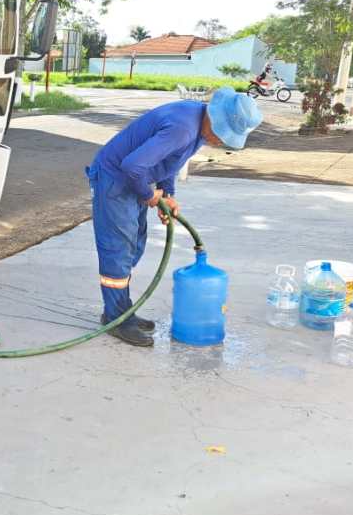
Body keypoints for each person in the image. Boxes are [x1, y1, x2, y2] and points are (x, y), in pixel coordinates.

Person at [86, 87, 263, 347]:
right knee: (118, 252)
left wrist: (167, 195)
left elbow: (170, 162)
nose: (220, 141)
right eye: (222, 134)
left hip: (134, 180)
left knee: (133, 247)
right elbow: (132, 166)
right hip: (115, 180)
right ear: (215, 118)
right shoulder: (183, 128)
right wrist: (149, 195)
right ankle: (115, 319)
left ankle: (121, 310)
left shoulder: (199, 126)